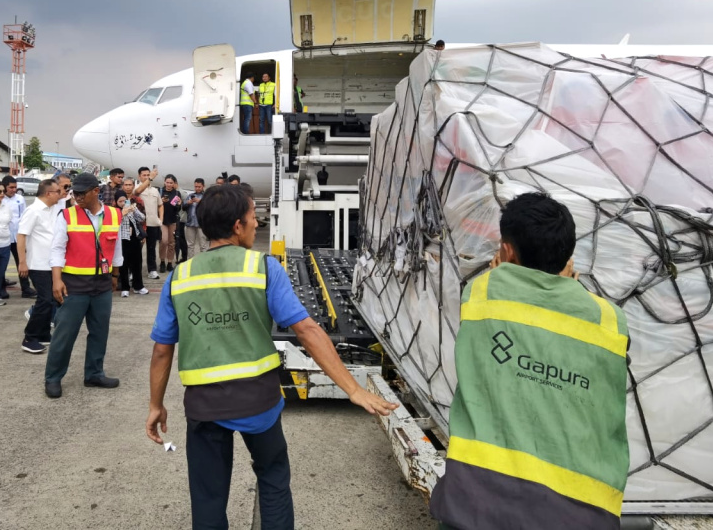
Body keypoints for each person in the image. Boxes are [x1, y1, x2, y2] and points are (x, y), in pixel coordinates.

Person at [146, 185, 397, 528]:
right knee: (274, 480)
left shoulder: (180, 276)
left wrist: (156, 405)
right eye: (253, 219)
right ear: (237, 226)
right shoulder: (263, 268)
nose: (256, 225)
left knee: (207, 497)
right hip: (258, 404)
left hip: (204, 407)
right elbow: (308, 331)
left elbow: (162, 349)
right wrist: (353, 389)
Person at [429, 192, 630, 530]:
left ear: (506, 251)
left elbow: (509, 289)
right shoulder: (610, 320)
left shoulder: (482, 295)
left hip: (480, 504)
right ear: (568, 257)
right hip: (584, 514)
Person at [44, 173, 122, 398]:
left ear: (96, 191)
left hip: (102, 284)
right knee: (65, 333)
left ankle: (94, 374)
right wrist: (56, 280)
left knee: (99, 332)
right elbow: (57, 249)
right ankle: (53, 378)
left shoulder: (114, 215)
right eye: (73, 192)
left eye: (80, 193)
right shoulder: (67, 215)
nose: (75, 196)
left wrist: (115, 275)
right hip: (74, 284)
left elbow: (116, 248)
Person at [18, 179, 63, 354]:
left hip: (52, 263)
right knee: (44, 300)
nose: (61, 194)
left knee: (51, 300)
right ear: (48, 193)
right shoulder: (33, 211)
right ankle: (30, 337)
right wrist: (22, 261)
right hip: (38, 263)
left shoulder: (54, 209)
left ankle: (43, 334)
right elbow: (21, 236)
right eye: (58, 191)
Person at [2, 176, 36, 299]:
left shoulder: (20, 199)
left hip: (18, 237)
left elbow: (23, 216)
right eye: (11, 187)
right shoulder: (0, 199)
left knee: (22, 263)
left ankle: (26, 288)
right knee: (2, 265)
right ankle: (1, 289)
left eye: (15, 187)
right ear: (4, 187)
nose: (13, 190)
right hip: (4, 237)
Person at [115, 180, 147, 298]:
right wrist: (122, 213)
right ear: (116, 202)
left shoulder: (130, 209)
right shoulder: (114, 211)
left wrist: (134, 209)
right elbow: (114, 223)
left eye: (125, 201)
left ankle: (139, 286)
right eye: (120, 201)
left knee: (137, 263)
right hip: (122, 240)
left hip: (134, 239)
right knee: (124, 265)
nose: (123, 203)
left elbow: (142, 218)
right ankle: (125, 287)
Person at [138, 166, 163, 279]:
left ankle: (152, 270)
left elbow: (160, 205)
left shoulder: (155, 191)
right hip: (140, 224)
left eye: (148, 175)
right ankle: (135, 271)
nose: (147, 177)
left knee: (151, 248)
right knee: (137, 249)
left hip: (153, 223)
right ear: (139, 176)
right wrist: (151, 178)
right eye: (144, 175)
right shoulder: (136, 189)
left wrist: (160, 219)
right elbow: (137, 192)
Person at [159, 175, 182, 273]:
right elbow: (156, 206)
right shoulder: (160, 192)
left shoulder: (176, 193)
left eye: (171, 183)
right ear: (164, 182)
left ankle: (169, 262)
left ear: (174, 184)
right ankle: (162, 261)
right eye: (167, 182)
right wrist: (161, 202)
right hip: (162, 220)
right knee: (164, 241)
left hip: (172, 220)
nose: (169, 184)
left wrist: (179, 204)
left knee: (172, 242)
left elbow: (177, 209)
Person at [181, 179, 208, 258]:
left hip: (201, 224)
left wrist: (200, 201)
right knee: (190, 245)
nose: (197, 188)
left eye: (199, 187)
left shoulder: (206, 196)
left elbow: (209, 207)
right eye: (196, 187)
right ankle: (190, 262)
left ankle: (203, 263)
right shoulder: (190, 196)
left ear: (203, 186)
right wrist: (188, 203)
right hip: (190, 223)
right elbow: (183, 208)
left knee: (203, 246)